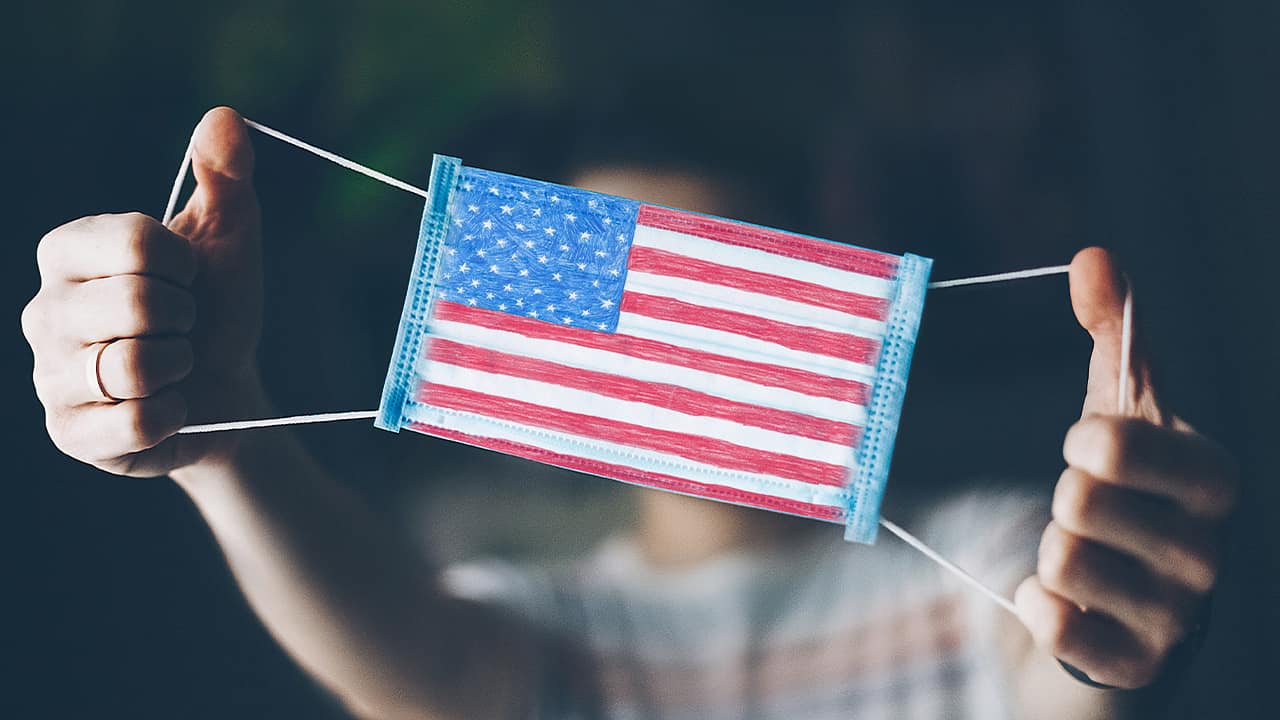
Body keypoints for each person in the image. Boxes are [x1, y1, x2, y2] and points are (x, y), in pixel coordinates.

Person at [22, 107, 1238, 719]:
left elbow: (1053, 665)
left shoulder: (979, 561)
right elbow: (414, 661)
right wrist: (221, 440)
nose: (661, 342)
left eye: (710, 285)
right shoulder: (546, 633)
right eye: (599, 291)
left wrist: (1103, 645)